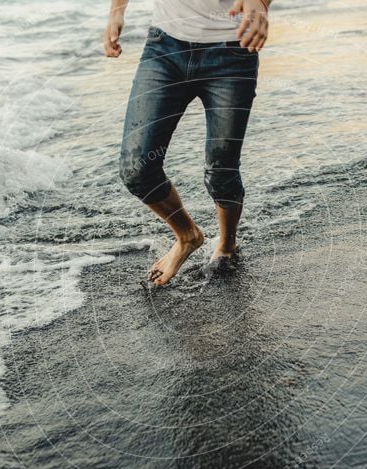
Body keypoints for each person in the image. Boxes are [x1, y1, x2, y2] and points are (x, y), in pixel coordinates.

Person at [104, 0, 271, 285]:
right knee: (137, 169)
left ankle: (227, 244)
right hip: (164, 49)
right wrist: (117, 11)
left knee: (222, 167)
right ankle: (187, 236)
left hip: (233, 50)